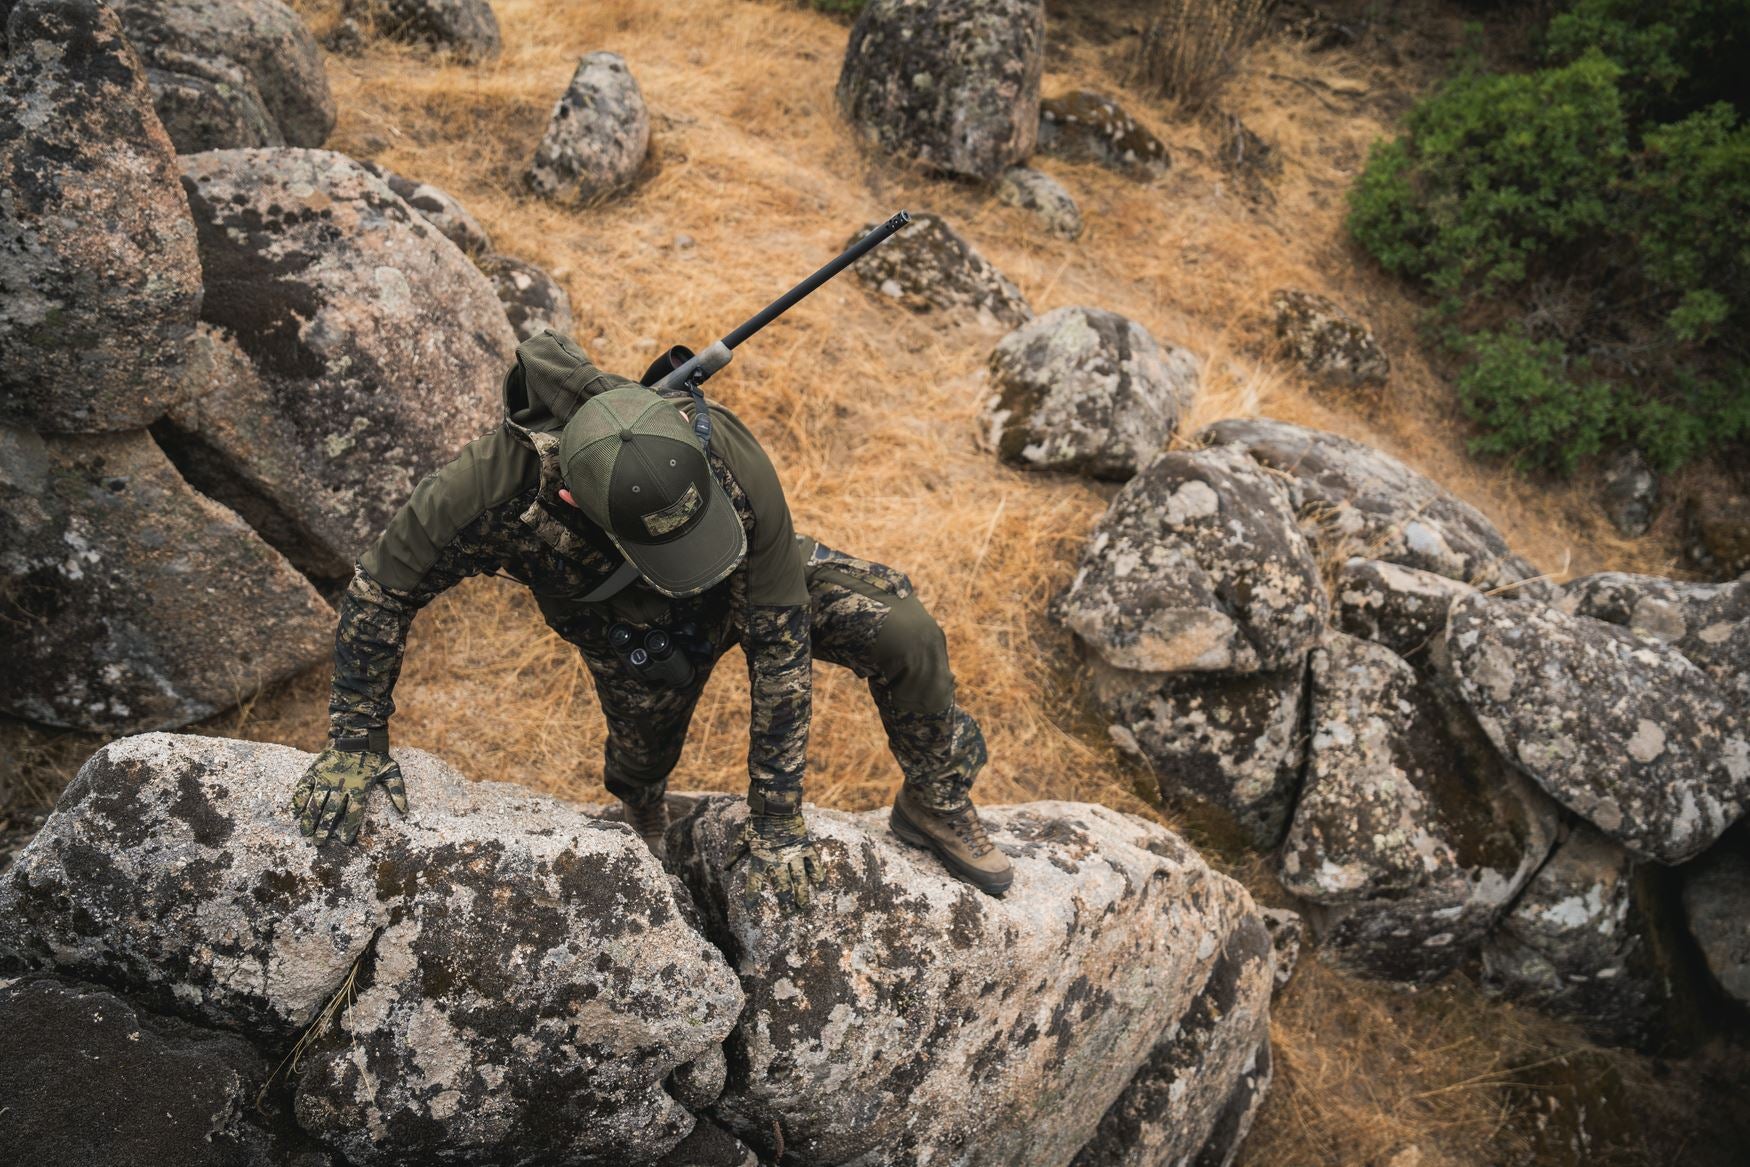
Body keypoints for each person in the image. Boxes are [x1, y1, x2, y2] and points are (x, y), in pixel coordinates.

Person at [290, 330, 1013, 906]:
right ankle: (640, 808)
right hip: (626, 626)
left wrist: (778, 821)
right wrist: (358, 739)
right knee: (641, 755)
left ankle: (936, 795)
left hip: (746, 573)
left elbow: (780, 655)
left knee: (905, 631)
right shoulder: (481, 491)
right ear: (576, 503)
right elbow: (381, 590)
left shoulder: (718, 444)